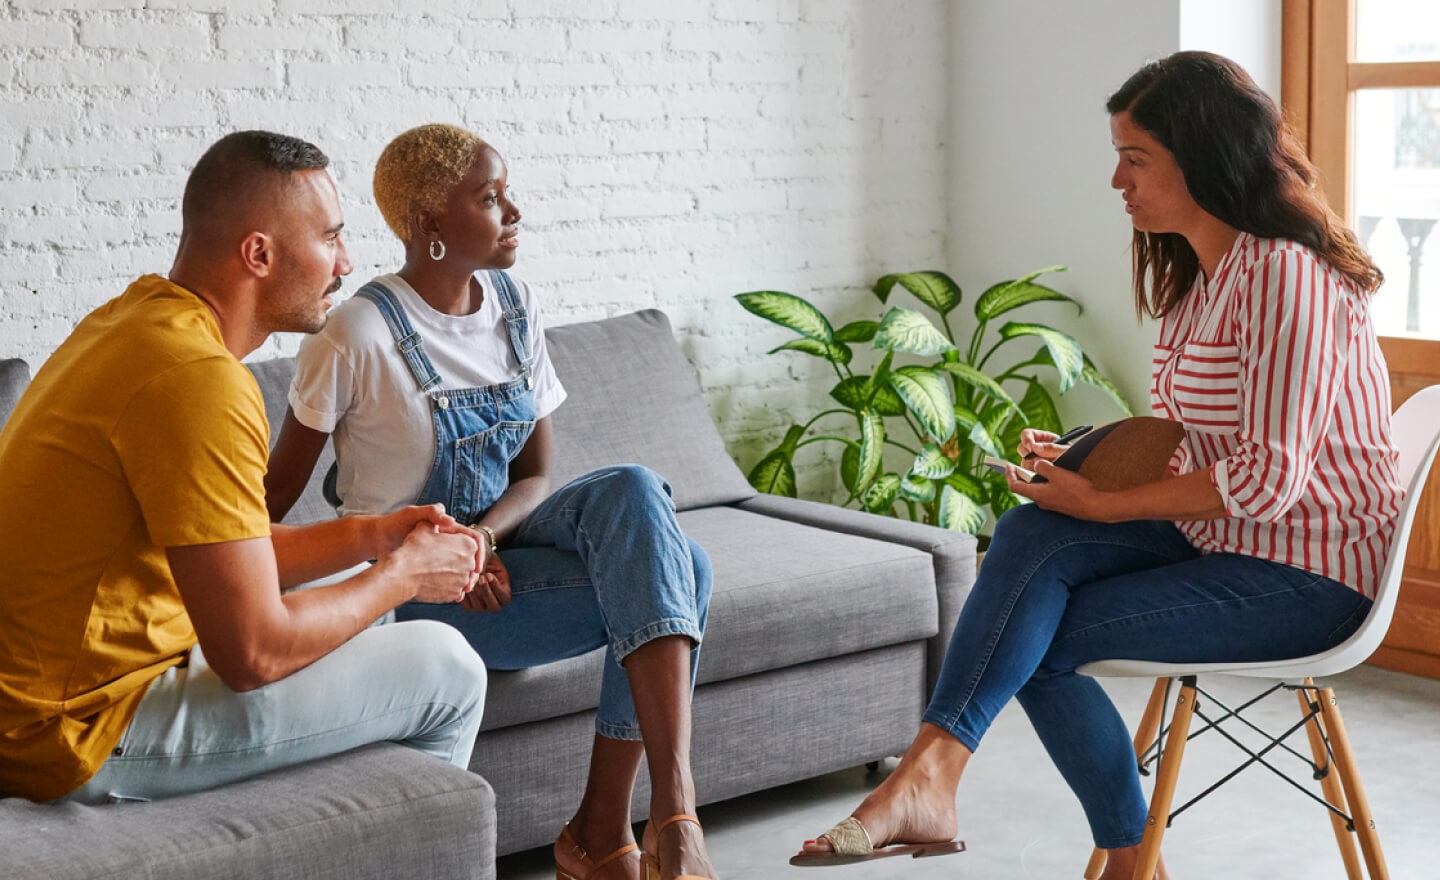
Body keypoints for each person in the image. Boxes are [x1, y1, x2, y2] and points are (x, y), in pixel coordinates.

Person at [792, 51, 1402, 880]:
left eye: (1136, 157)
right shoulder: (1205, 275)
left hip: (1308, 577)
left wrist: (1104, 505)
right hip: (1222, 539)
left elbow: (1269, 477)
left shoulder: (1286, 275)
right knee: (1032, 529)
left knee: (1036, 637)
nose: (1117, 180)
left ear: (1207, 156)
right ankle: (933, 779)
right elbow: (1199, 436)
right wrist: (1085, 463)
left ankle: (1117, 854)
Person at [264, 123, 717, 880]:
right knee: (687, 570)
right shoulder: (354, 333)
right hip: (410, 592)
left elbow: (537, 474)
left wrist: (481, 542)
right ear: (429, 224)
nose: (515, 212)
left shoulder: (514, 304)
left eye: (507, 193)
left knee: (636, 491)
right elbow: (271, 499)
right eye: (490, 197)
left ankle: (672, 805)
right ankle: (608, 832)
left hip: (496, 550)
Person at [0, 131, 489, 806]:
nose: (346, 260)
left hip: (72, 684)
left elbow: (230, 554)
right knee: (449, 669)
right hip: (65, 727)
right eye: (330, 237)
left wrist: (375, 539)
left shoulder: (133, 322)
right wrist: (401, 576)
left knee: (363, 595)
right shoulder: (200, 382)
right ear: (258, 253)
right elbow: (252, 652)